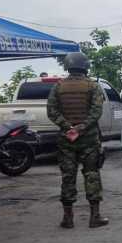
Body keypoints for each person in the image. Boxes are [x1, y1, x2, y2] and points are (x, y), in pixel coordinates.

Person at [47, 51, 109, 230]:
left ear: (67, 66)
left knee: (68, 176)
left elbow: (52, 111)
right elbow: (96, 111)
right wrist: (82, 127)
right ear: (85, 66)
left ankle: (68, 219)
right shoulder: (92, 86)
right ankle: (94, 217)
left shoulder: (58, 86)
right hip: (88, 139)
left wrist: (68, 127)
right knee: (92, 175)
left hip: (66, 140)